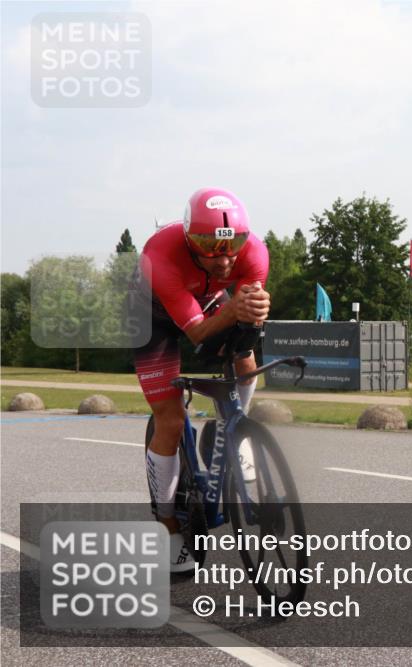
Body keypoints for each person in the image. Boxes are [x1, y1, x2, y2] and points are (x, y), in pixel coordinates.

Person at [132, 187, 270, 572]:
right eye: (210, 247)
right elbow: (197, 335)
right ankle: (168, 524)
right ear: (190, 241)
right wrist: (235, 311)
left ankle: (236, 432)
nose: (225, 259)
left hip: (204, 299)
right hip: (153, 315)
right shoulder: (160, 255)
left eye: (233, 245)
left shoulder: (256, 253)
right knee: (172, 420)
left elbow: (244, 321)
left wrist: (254, 312)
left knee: (245, 358)